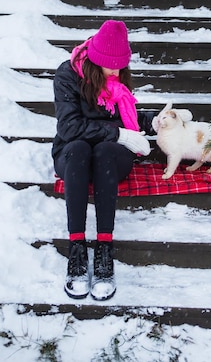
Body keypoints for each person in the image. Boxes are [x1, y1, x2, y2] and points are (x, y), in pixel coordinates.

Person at [52, 19, 153, 301]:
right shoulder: (67, 75)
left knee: (105, 150)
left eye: (122, 65)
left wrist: (155, 121)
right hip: (73, 158)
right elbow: (69, 128)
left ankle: (105, 249)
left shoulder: (117, 79)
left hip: (109, 159)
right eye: (112, 65)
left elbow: (128, 116)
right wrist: (117, 132)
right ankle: (77, 249)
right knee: (81, 148)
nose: (117, 71)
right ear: (96, 60)